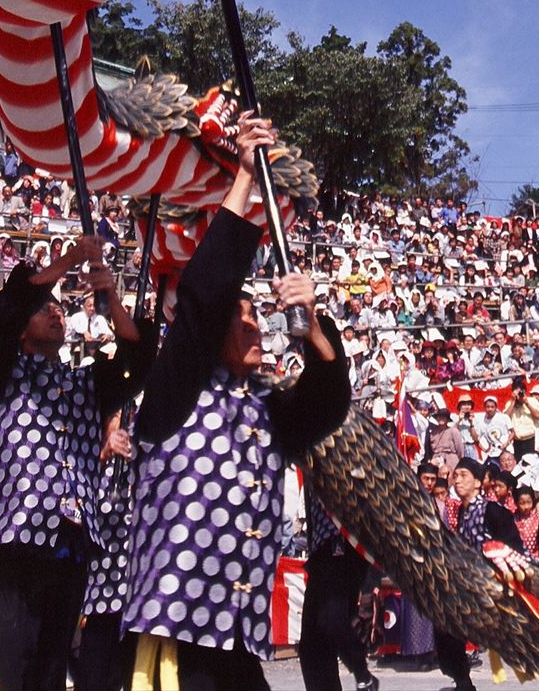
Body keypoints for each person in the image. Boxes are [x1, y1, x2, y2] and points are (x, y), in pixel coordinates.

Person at [123, 113, 350, 691]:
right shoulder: (175, 391)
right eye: (242, 318)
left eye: (257, 317)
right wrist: (246, 176)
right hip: (177, 635)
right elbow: (204, 295)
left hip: (238, 636)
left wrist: (314, 328)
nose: (255, 328)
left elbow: (327, 404)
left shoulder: (268, 408)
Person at [0, 231, 144, 691]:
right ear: (22, 329)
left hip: (73, 542)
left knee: (50, 667)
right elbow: (6, 311)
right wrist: (71, 259)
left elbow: (138, 359)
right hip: (19, 539)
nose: (56, 311)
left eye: (60, 308)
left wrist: (110, 296)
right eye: (44, 308)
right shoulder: (0, 373)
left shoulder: (85, 382)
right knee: (13, 661)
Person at [436, 458, 521, 691]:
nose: (457, 480)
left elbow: (514, 548)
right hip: (470, 589)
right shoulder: (462, 513)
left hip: (494, 588)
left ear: (477, 482)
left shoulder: (493, 511)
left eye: (464, 475)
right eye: (456, 475)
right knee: (445, 627)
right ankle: (462, 681)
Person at [296, 489, 375, 691]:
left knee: (332, 621)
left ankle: (363, 675)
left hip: (345, 550)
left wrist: (370, 580)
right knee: (311, 645)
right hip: (320, 553)